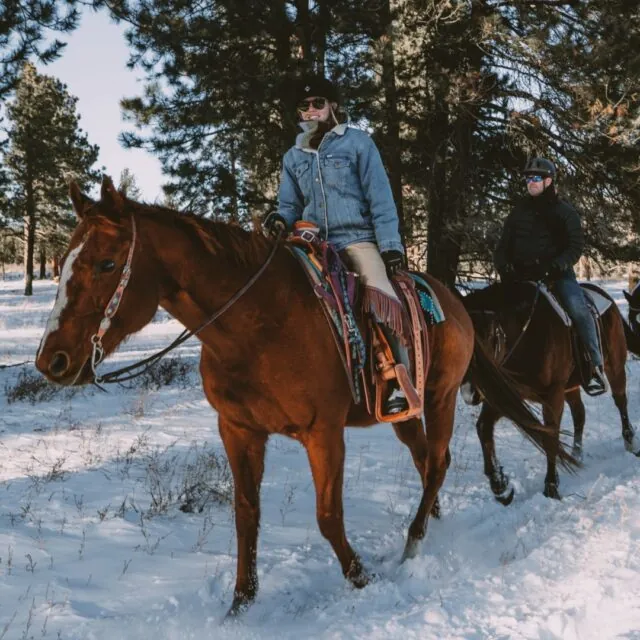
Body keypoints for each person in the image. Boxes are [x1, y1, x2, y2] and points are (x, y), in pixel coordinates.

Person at [264, 73, 411, 414]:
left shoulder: (357, 143)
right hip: (311, 243)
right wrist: (279, 219)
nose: (312, 110)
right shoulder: (293, 158)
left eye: (318, 103)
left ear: (332, 106)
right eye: (304, 107)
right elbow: (289, 205)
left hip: (356, 238)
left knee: (380, 294)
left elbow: (380, 196)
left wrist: (390, 245)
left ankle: (397, 381)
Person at [494, 157, 607, 395]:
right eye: (527, 178)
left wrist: (554, 266)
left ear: (548, 181)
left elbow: (575, 246)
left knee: (578, 309)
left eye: (535, 178)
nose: (530, 182)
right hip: (520, 277)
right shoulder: (518, 212)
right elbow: (503, 246)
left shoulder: (565, 212)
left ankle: (594, 365)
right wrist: (504, 267)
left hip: (557, 276)